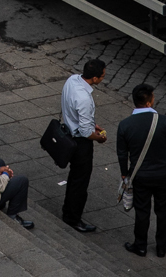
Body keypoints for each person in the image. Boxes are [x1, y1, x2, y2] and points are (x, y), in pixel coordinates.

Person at [116, 84, 166, 256]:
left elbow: (122, 153)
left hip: (140, 175)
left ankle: (141, 245)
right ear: (150, 102)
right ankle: (161, 247)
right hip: (165, 174)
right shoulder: (163, 121)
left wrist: (125, 172)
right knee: (164, 211)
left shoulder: (125, 125)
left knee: (142, 211)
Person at [61, 58, 106, 232]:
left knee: (74, 178)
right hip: (80, 143)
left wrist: (90, 125)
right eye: (102, 76)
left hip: (69, 131)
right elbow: (87, 133)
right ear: (94, 78)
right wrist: (99, 138)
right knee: (80, 182)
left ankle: (68, 211)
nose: (103, 78)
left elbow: (75, 112)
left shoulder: (72, 80)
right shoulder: (85, 99)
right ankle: (73, 218)